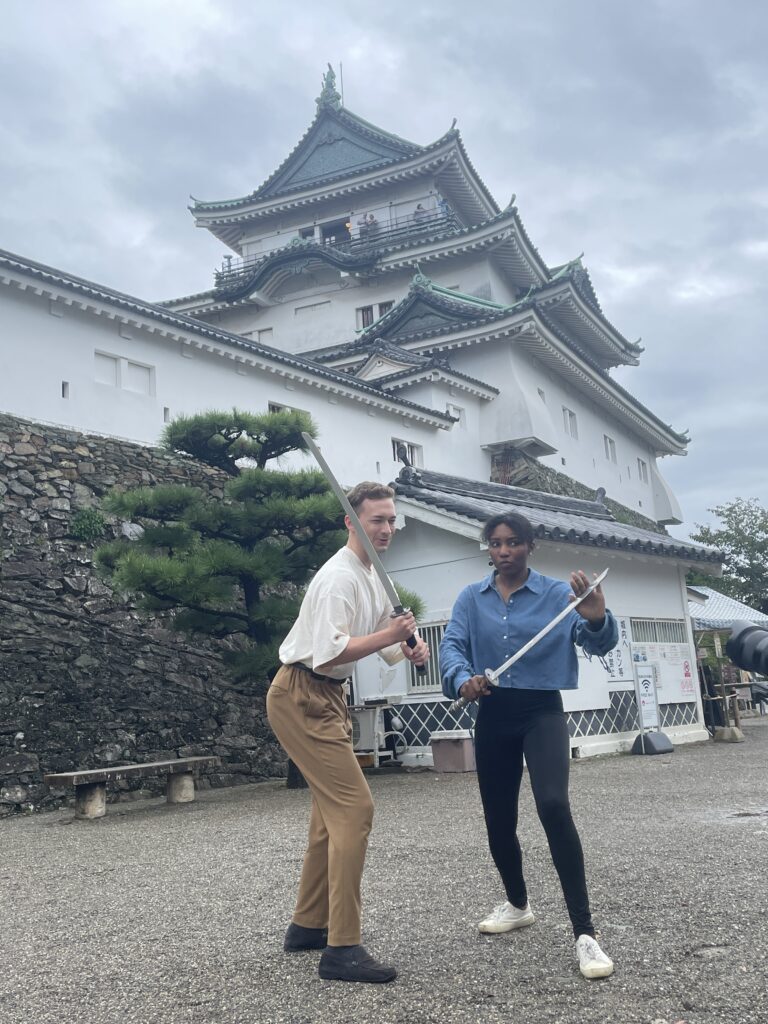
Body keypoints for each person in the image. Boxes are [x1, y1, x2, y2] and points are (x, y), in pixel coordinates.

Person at [439, 511, 618, 980]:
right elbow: (452, 647)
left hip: (542, 711)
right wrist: (462, 680)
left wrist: (597, 618)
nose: (504, 551)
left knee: (554, 805)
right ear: (489, 548)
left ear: (530, 545)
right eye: (495, 543)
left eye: (513, 542)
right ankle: (518, 903)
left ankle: (586, 933)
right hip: (493, 713)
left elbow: (594, 642)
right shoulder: (469, 598)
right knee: (499, 819)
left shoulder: (561, 595)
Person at [266, 482, 429, 984]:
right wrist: (392, 635)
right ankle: (342, 949)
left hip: (326, 695)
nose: (385, 529)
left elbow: (380, 640)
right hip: (302, 692)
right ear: (350, 522)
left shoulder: (373, 576)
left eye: (390, 520)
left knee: (327, 815)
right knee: (355, 809)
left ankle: (308, 925)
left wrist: (407, 648)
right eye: (375, 520)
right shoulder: (337, 578)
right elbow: (330, 653)